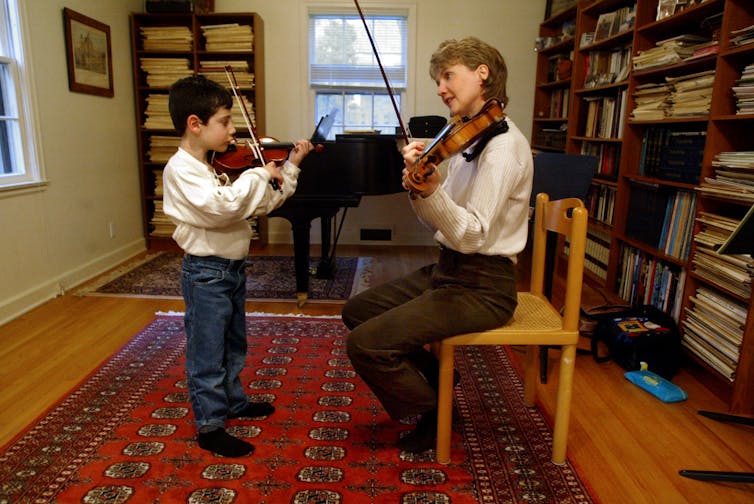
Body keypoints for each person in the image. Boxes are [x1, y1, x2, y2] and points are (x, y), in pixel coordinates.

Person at [342, 37, 533, 453]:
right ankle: (438, 380)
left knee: (366, 345)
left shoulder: (503, 147)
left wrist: (431, 192)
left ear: (482, 72)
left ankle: (436, 408)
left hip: (484, 286)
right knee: (356, 311)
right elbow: (438, 222)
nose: (440, 87)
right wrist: (419, 188)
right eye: (438, 79)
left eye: (448, 75)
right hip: (450, 270)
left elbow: (471, 234)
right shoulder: (467, 141)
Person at [163, 75, 314, 457]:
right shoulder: (181, 170)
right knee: (207, 351)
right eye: (225, 122)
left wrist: (290, 167)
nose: (233, 131)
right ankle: (210, 425)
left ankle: (233, 400)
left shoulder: (215, 166)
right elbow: (225, 206)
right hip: (205, 273)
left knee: (233, 343)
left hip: (230, 270)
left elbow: (260, 204)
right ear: (194, 124)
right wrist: (258, 173)